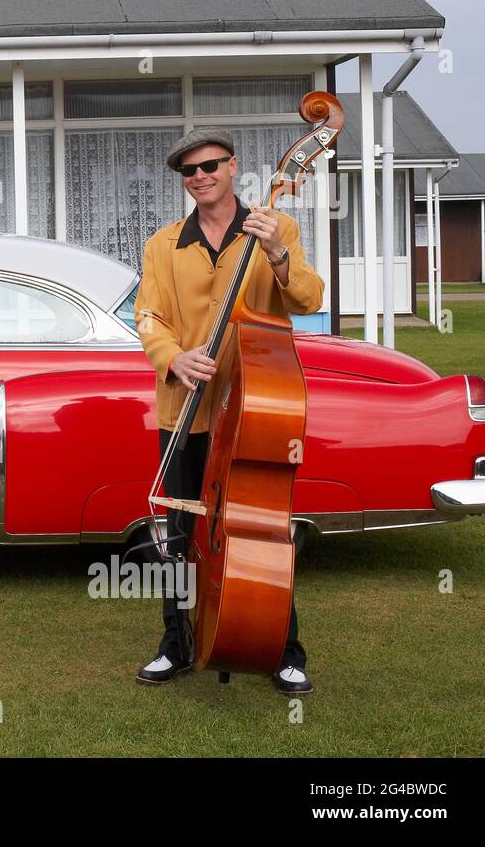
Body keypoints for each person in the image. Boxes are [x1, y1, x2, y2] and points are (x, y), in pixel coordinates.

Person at [133, 127, 323, 695]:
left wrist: (279, 256)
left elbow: (309, 299)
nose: (200, 177)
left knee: (263, 529)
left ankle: (283, 648)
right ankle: (178, 642)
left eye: (210, 166)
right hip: (186, 409)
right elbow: (149, 317)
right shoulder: (164, 244)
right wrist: (173, 357)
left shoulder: (275, 227)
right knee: (182, 533)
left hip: (254, 411)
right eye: (189, 171)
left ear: (233, 166)